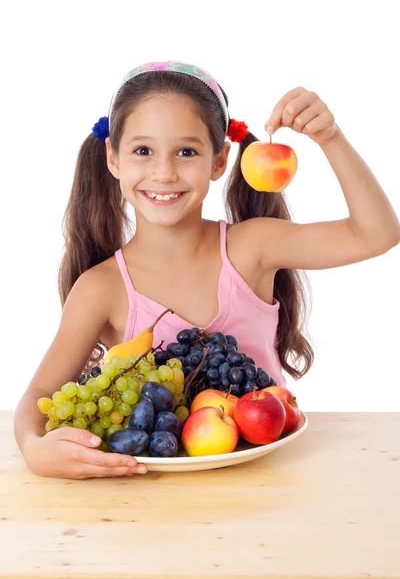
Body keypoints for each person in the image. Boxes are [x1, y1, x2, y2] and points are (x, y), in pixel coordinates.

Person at [14, 60, 400, 480]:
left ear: (219, 161)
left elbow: (376, 234)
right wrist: (34, 448)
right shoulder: (101, 289)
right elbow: (39, 394)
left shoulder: (252, 247)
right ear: (113, 158)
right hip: (151, 499)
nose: (164, 172)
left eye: (187, 151)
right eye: (143, 151)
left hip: (273, 484)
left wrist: (331, 139)